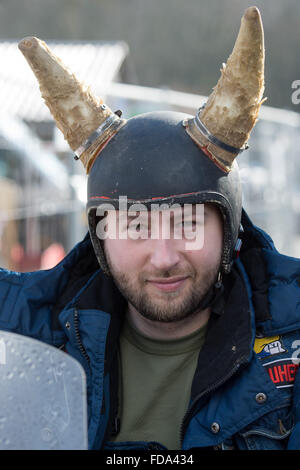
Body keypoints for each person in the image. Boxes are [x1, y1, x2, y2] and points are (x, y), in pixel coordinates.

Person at [2, 6, 300, 450]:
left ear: (230, 230)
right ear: (101, 236)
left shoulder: (290, 341)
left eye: (188, 223)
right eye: (135, 226)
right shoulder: (23, 327)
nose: (163, 257)